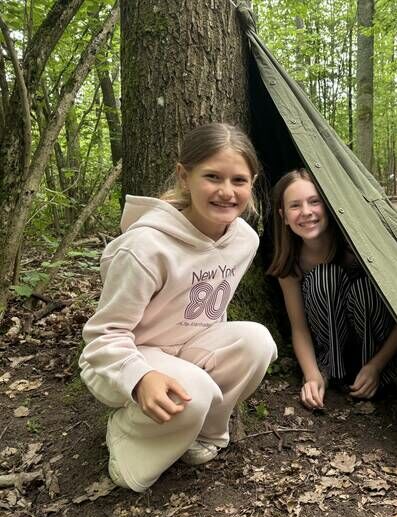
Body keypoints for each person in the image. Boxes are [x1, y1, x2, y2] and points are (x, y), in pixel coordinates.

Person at [79, 123, 278, 492]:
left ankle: (203, 432)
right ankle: (128, 437)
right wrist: (140, 377)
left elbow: (209, 311)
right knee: (192, 393)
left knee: (257, 341)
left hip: (187, 347)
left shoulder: (244, 240)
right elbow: (103, 335)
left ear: (252, 183)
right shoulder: (144, 248)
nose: (226, 191)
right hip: (123, 357)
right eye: (212, 176)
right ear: (185, 177)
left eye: (238, 180)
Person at [267, 168, 397, 409]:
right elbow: (300, 329)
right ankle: (329, 369)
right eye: (295, 206)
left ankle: (388, 370)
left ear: (328, 205)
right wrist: (311, 375)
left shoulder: (355, 248)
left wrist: (377, 365)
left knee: (365, 290)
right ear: (283, 216)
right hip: (332, 345)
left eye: (314, 202)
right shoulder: (291, 263)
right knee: (324, 278)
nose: (306, 212)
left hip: (373, 342)